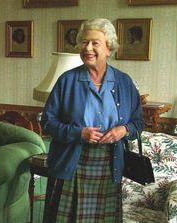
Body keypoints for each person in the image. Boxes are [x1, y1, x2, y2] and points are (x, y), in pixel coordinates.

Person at [41, 18, 144, 222]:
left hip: (109, 164)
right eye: (84, 42)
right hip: (71, 162)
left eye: (94, 43)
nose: (88, 48)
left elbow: (138, 122)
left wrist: (123, 130)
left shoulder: (124, 82)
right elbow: (47, 122)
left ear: (108, 48)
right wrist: (79, 133)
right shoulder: (67, 80)